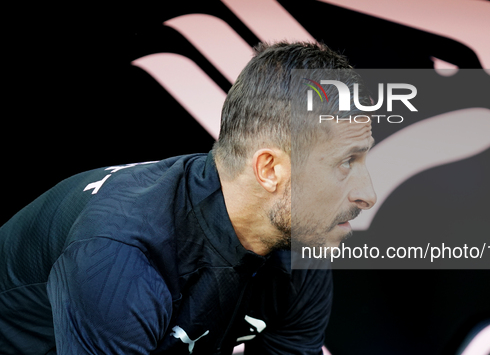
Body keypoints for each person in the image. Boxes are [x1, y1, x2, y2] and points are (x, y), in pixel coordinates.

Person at [0, 41, 376, 355]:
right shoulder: (119, 255)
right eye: (345, 163)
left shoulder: (300, 242)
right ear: (270, 169)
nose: (367, 194)